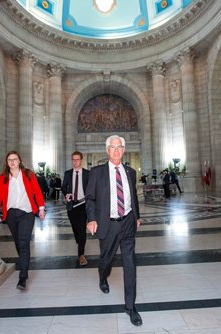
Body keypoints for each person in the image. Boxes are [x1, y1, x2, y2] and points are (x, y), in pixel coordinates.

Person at [85, 135, 143, 327]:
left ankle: (130, 307)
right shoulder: (97, 172)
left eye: (120, 147)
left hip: (127, 222)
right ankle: (103, 276)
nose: (116, 150)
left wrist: (137, 216)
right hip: (107, 224)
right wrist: (92, 219)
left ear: (124, 150)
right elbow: (90, 198)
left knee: (130, 264)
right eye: (113, 147)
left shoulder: (131, 172)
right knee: (106, 259)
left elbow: (132, 196)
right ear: (107, 150)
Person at [0, 151, 46, 290]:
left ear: (19, 161)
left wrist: (41, 208)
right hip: (11, 215)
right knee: (18, 242)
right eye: (9, 159)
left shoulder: (28, 174)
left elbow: (37, 191)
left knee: (23, 242)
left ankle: (23, 277)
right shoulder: (3, 177)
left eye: (14, 159)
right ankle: (24, 264)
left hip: (26, 213)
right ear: (7, 162)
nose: (12, 162)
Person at [61, 151, 90, 266]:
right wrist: (66, 194)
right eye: (73, 159)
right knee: (75, 229)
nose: (75, 162)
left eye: (77, 159)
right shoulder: (68, 173)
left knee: (82, 229)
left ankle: (81, 255)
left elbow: (92, 188)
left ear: (81, 160)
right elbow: (63, 187)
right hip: (72, 205)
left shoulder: (88, 173)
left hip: (83, 205)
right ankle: (80, 242)